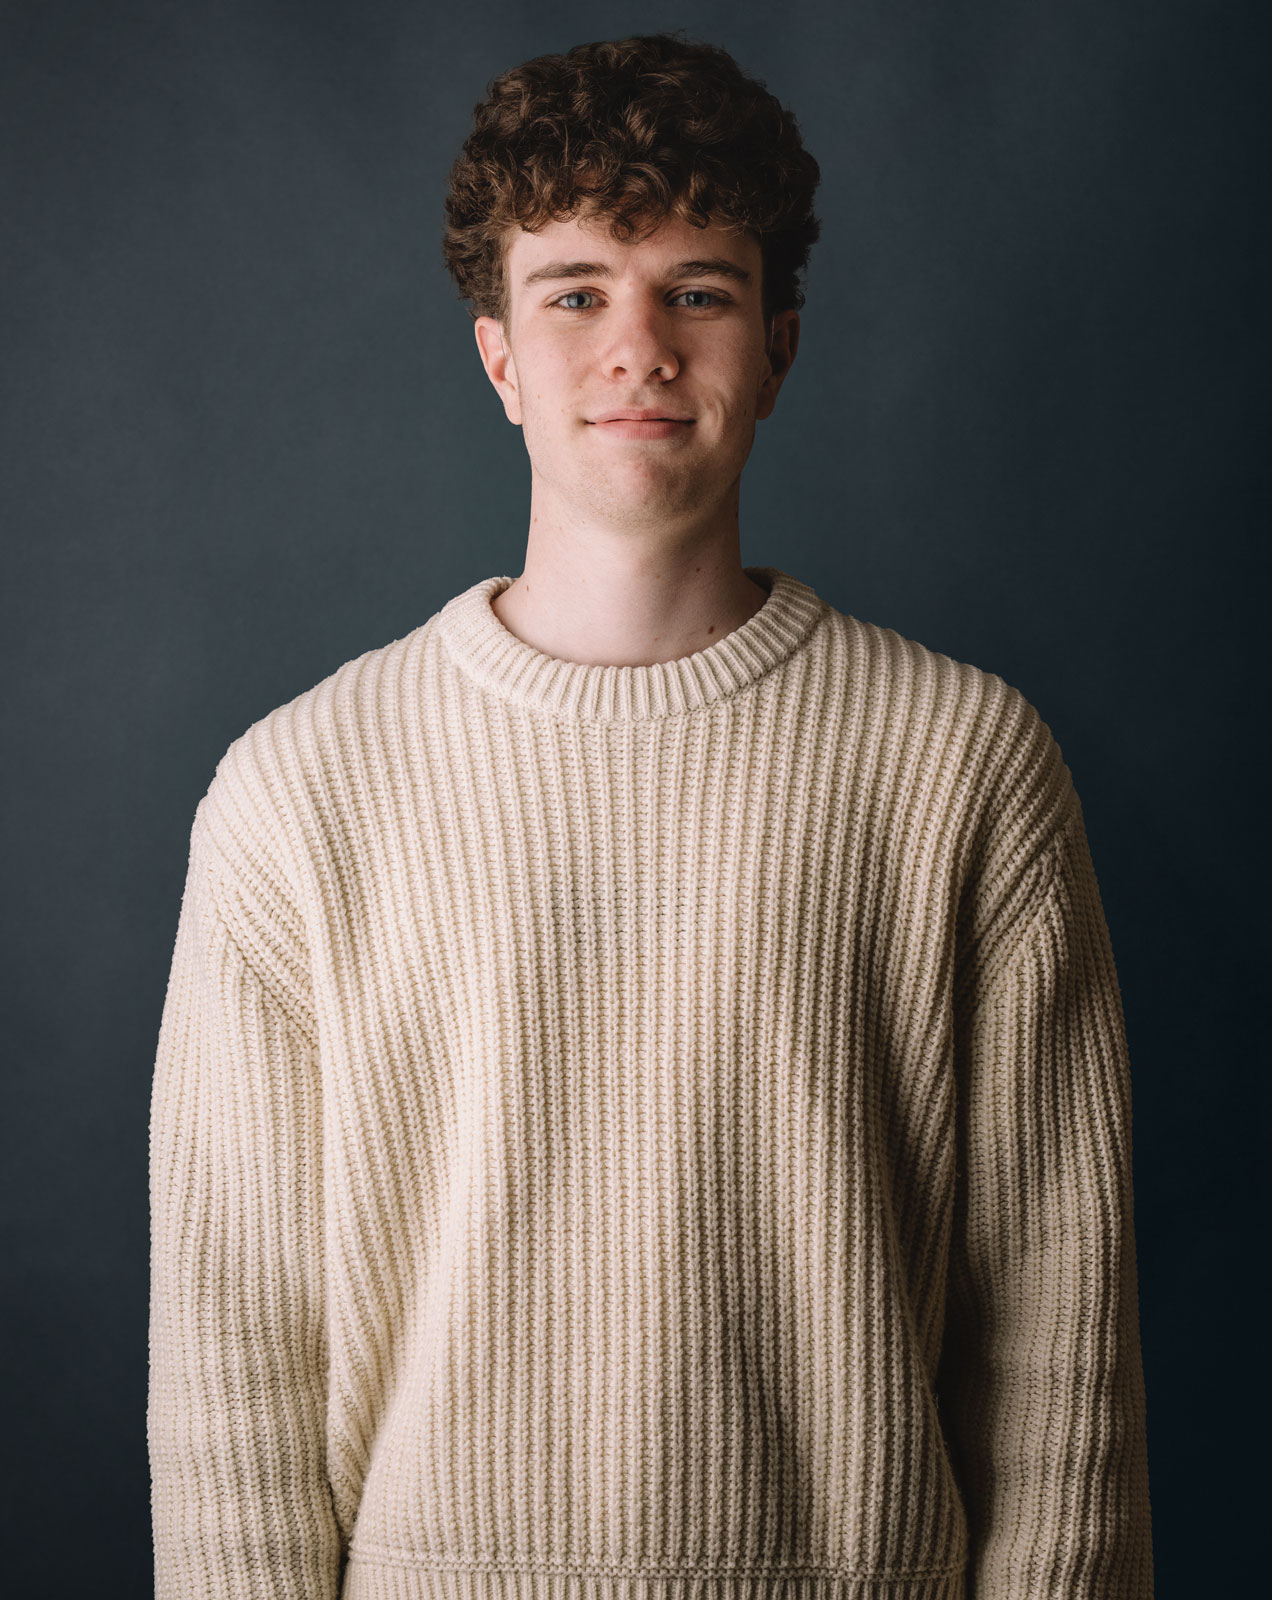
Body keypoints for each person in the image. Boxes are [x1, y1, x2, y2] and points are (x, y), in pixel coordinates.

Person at [147, 31, 1155, 1600]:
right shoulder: (299, 791)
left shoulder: (965, 766)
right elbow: (232, 1374)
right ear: (498, 357)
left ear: (779, 343)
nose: (639, 348)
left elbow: (1059, 1355)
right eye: (575, 293)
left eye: (697, 289)